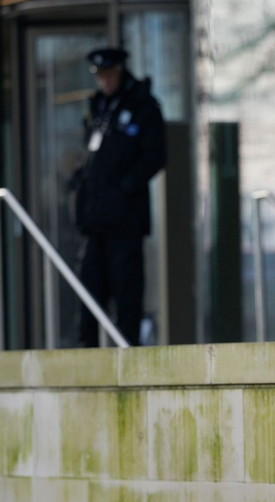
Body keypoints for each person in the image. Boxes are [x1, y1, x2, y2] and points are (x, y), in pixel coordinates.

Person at [70, 47, 165, 347]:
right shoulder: (97, 107)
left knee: (127, 290)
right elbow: (92, 154)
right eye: (100, 76)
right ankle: (86, 352)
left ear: (121, 71)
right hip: (95, 219)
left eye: (110, 74)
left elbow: (156, 155)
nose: (105, 81)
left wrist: (126, 187)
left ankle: (127, 353)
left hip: (125, 220)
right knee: (90, 288)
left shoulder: (143, 105)